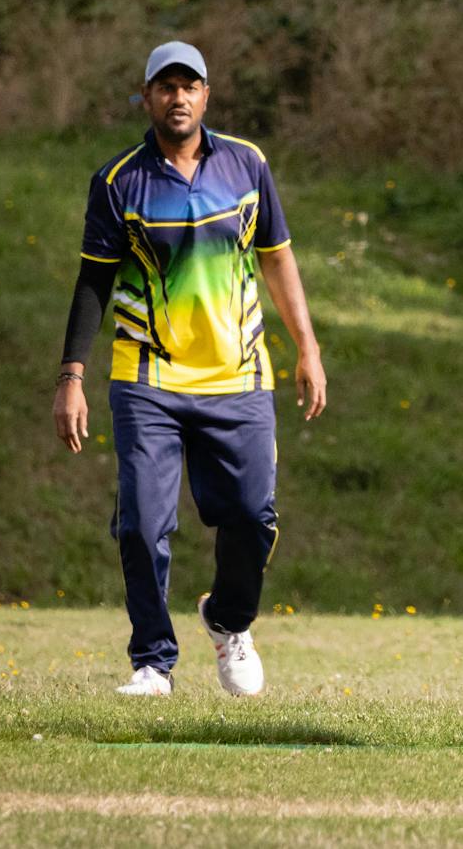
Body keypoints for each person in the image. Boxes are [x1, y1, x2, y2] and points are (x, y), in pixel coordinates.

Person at [52, 41, 327, 697]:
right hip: (148, 378)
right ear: (145, 97)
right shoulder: (119, 181)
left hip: (239, 376)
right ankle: (153, 661)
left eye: (190, 85)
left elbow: (278, 258)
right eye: (165, 86)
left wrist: (307, 347)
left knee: (253, 516)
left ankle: (229, 621)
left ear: (207, 95)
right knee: (143, 521)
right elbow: (92, 282)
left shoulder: (247, 164)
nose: (178, 96)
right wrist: (71, 374)